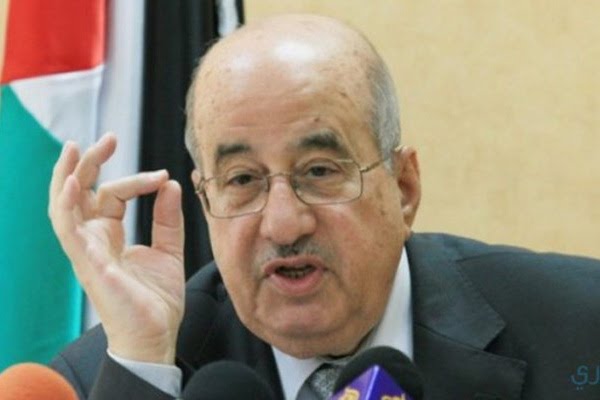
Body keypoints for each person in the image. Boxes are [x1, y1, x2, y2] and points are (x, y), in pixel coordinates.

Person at [48, 13, 600, 400]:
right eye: (243, 180)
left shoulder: (582, 324)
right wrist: (145, 352)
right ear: (205, 200)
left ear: (403, 188)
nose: (284, 224)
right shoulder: (112, 376)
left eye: (319, 171)